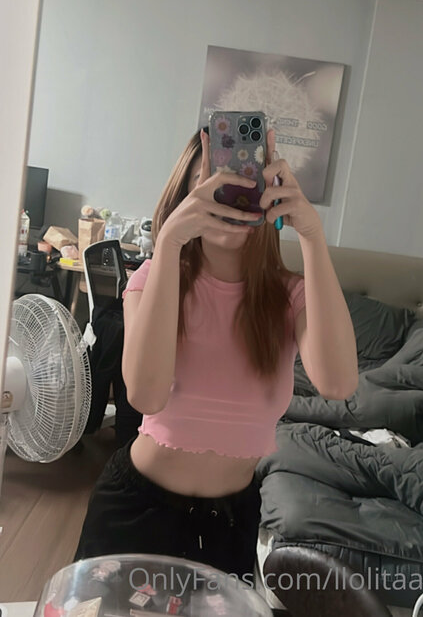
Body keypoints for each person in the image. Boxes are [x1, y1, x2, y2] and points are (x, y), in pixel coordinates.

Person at [73, 124, 358, 583]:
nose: (231, 201)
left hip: (230, 524)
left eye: (246, 184)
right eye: (213, 187)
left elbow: (338, 383)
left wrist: (311, 235)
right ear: (187, 199)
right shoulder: (155, 278)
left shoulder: (290, 296)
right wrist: (169, 242)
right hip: (134, 511)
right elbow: (145, 395)